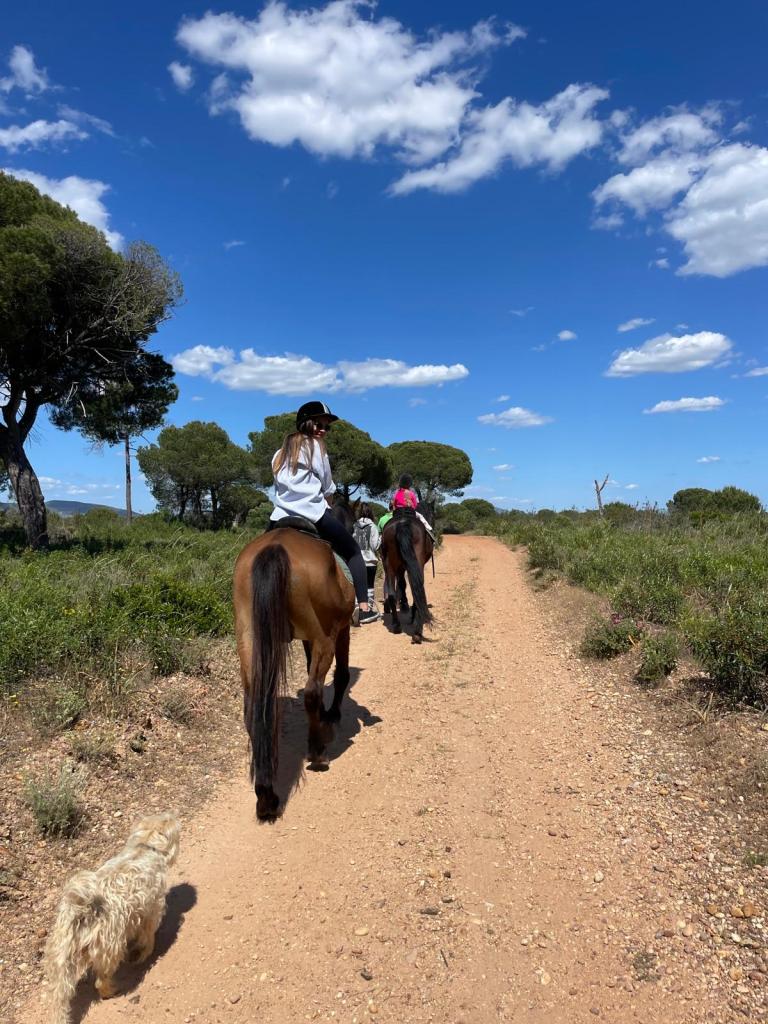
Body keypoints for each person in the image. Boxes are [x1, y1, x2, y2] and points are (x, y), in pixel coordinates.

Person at [270, 401, 379, 624]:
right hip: (314, 514)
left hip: (279, 516)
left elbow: (279, 485)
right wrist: (327, 504)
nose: (323, 430)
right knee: (354, 552)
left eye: (326, 427)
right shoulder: (317, 448)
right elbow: (328, 488)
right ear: (305, 423)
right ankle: (364, 607)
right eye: (318, 424)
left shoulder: (279, 454)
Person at [352, 503, 381, 611]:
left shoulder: (354, 525)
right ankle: (368, 609)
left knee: (356, 586)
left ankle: (357, 608)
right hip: (370, 561)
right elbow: (374, 546)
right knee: (370, 586)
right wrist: (380, 540)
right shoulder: (373, 526)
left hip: (356, 561)